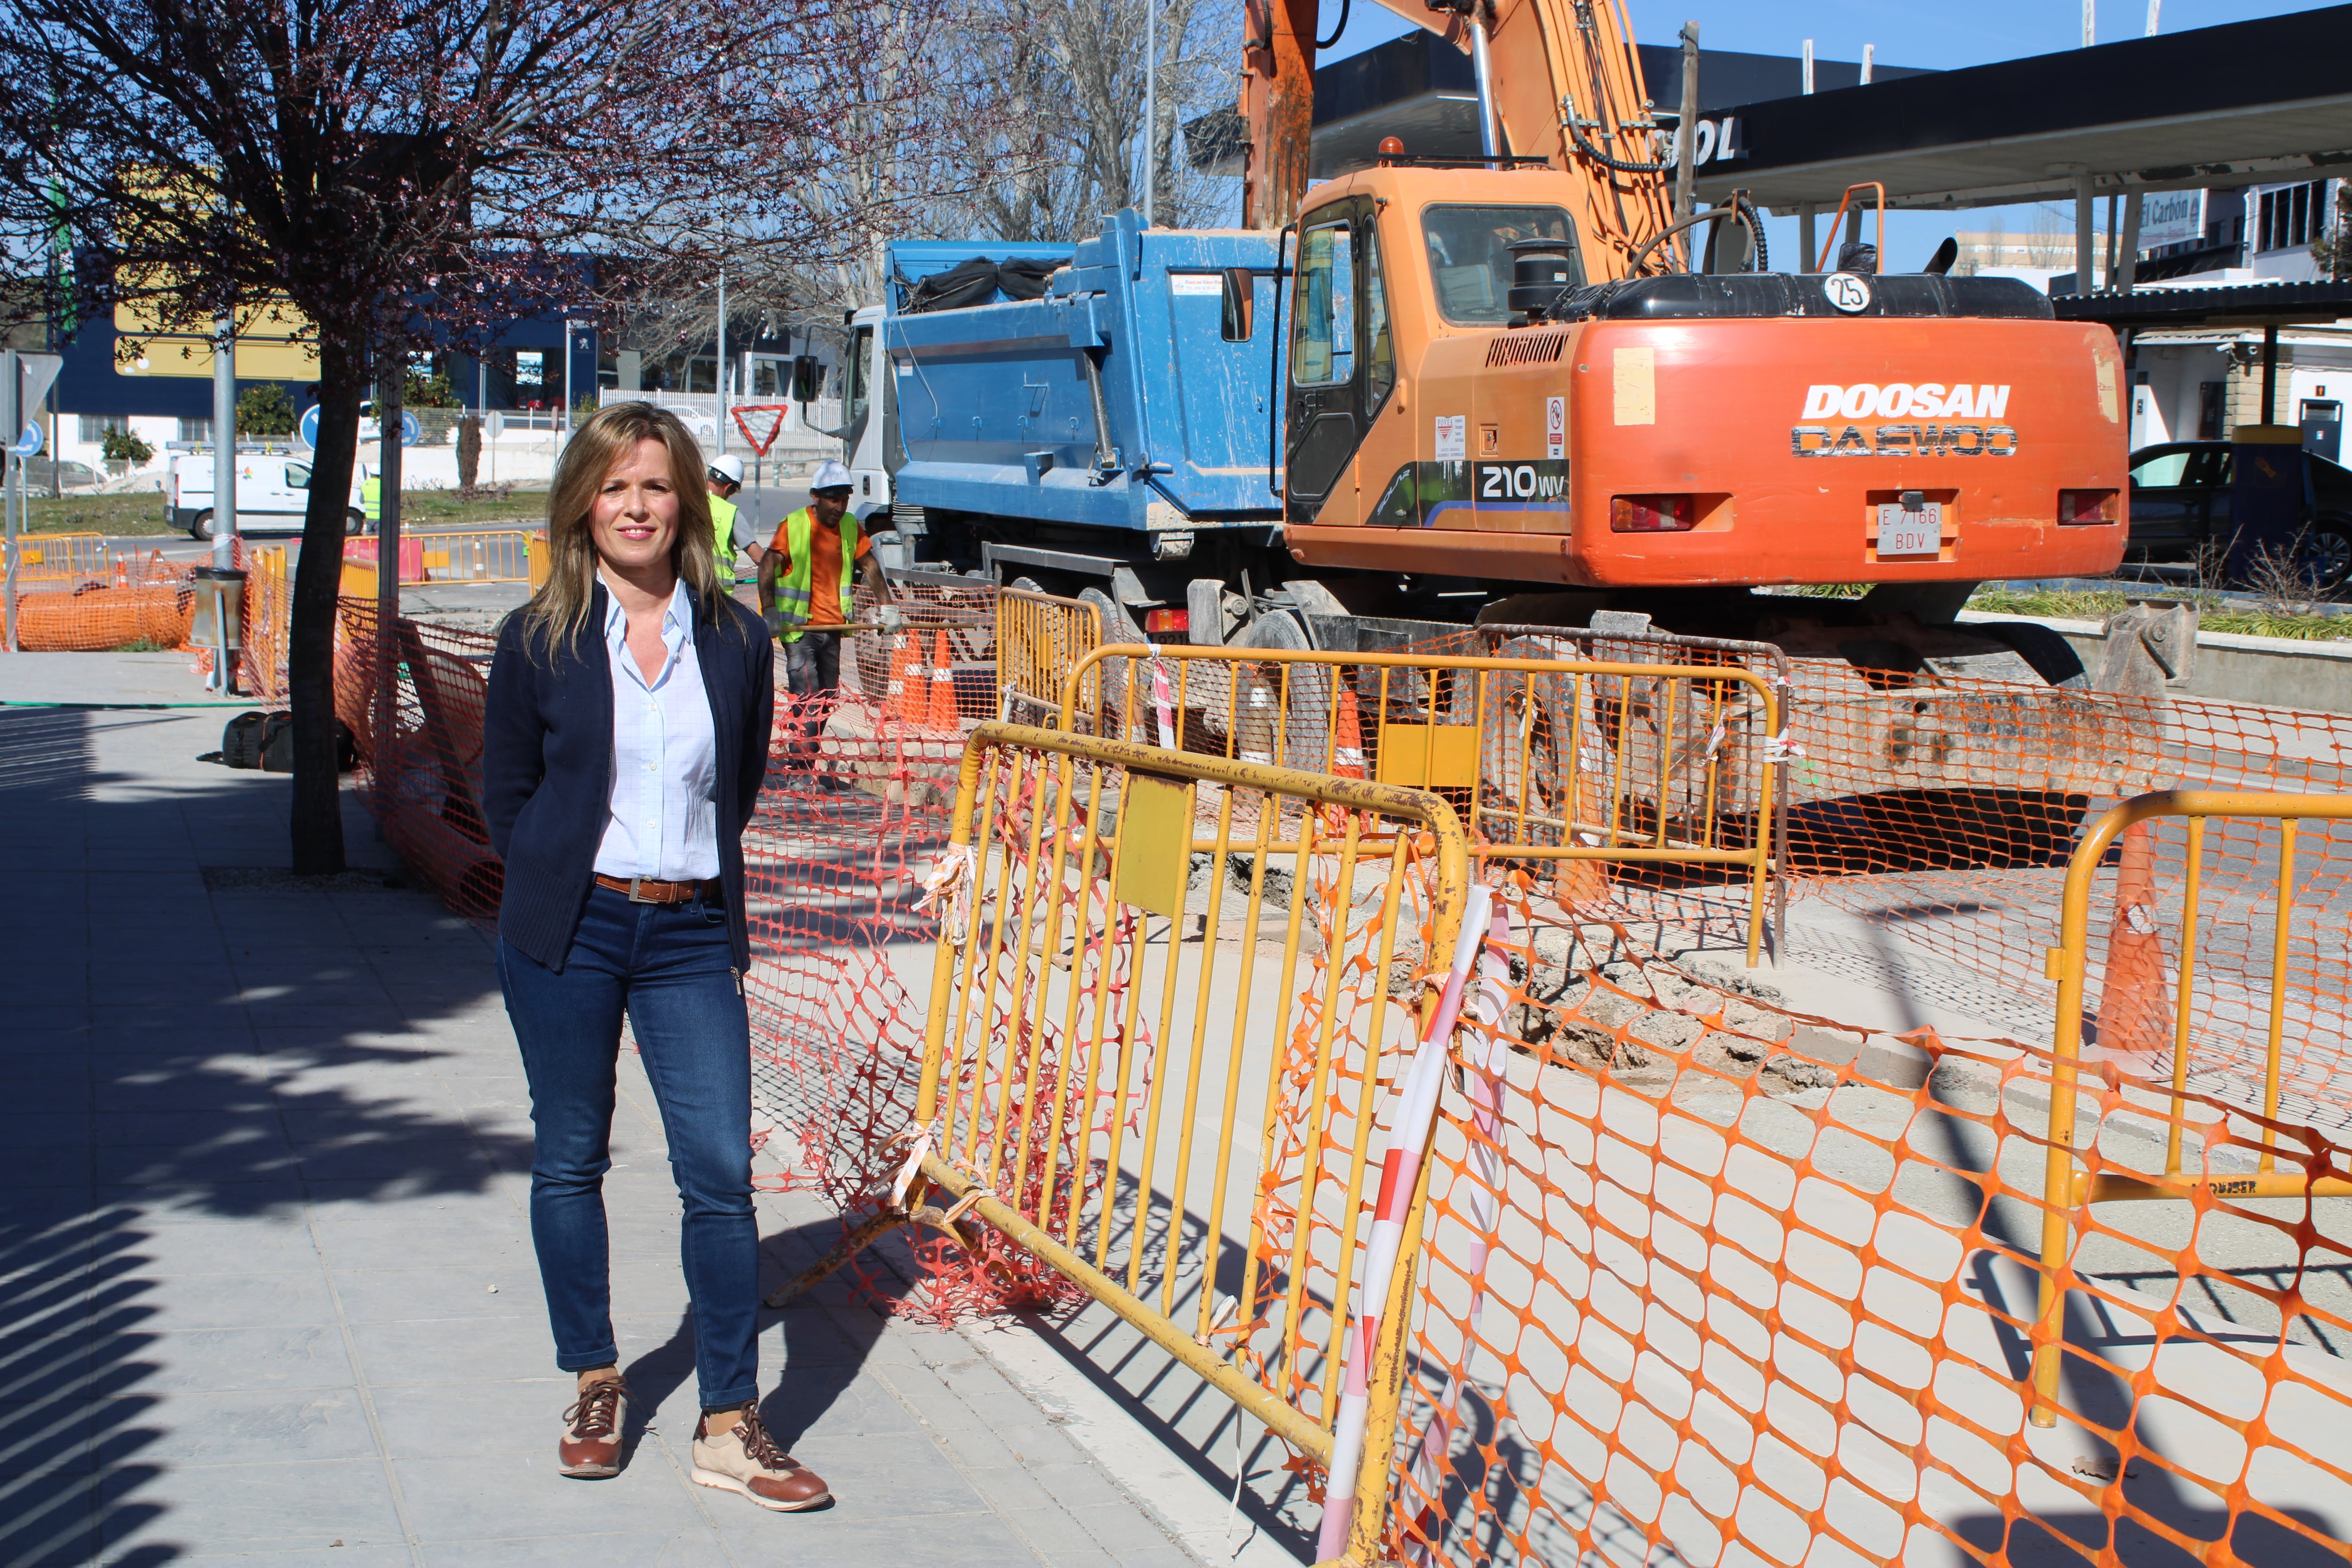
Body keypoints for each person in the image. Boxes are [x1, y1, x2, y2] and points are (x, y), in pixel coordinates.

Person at [482, 401, 829, 1513]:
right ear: (585, 501)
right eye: (615, 484)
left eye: (656, 484)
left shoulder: (735, 638)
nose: (636, 505)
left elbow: (746, 782)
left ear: (684, 500)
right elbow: (506, 796)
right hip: (569, 930)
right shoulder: (535, 637)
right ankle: (593, 1378)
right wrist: (557, 874)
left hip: (687, 931)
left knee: (718, 1174)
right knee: (569, 1158)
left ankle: (729, 1420)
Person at [757, 458, 897, 768]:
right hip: (799, 632)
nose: (840, 506)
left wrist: (887, 606)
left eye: (845, 499)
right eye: (834, 499)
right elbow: (767, 565)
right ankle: (802, 765)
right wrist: (769, 612)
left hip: (833, 629)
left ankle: (804, 755)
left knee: (827, 698)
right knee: (808, 697)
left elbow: (870, 564)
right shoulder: (794, 525)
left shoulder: (849, 526)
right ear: (815, 497)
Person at [705, 453, 748, 582]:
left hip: (685, 588)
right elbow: (758, 556)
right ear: (729, 488)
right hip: (718, 593)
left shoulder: (687, 501)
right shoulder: (730, 513)